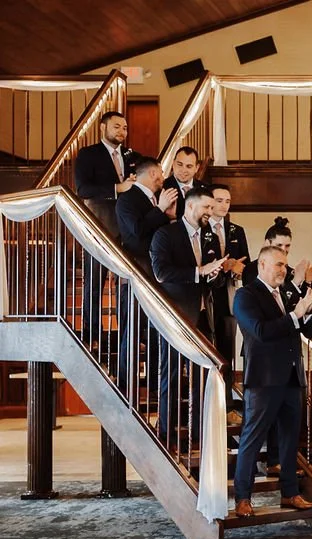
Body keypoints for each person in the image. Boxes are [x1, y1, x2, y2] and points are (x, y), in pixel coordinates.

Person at [231, 246, 312, 517]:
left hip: (292, 376)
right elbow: (261, 332)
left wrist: (307, 310)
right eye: (278, 264)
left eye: (285, 265)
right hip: (264, 379)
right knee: (252, 439)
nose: (284, 270)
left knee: (290, 440)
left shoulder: (287, 294)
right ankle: (243, 498)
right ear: (262, 265)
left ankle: (290, 493)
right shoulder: (246, 295)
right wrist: (295, 315)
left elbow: (310, 330)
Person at [149, 188, 226, 442]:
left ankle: (199, 435)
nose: (210, 212)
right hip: (176, 317)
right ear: (190, 206)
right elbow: (161, 273)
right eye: (207, 207)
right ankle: (166, 435)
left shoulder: (210, 237)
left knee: (202, 376)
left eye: (212, 208)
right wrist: (199, 271)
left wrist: (214, 275)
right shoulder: (165, 234)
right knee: (170, 375)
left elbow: (214, 280)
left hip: (203, 315)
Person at [114, 156, 176, 393]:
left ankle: (152, 386)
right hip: (136, 274)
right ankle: (124, 388)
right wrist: (160, 210)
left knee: (154, 332)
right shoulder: (127, 199)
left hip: (156, 274)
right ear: (152, 173)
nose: (163, 178)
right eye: (161, 173)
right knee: (131, 332)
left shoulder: (154, 199)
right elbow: (137, 231)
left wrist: (167, 216)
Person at [74, 110, 135, 346]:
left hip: (127, 227)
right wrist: (117, 188)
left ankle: (126, 334)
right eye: (117, 126)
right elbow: (83, 189)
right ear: (103, 127)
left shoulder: (132, 156)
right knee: (95, 281)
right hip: (100, 225)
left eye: (125, 128)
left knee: (126, 283)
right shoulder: (88, 154)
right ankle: (92, 334)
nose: (122, 131)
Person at [207, 183, 250, 414]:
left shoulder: (236, 231)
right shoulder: (202, 227)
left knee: (227, 344)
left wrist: (236, 269)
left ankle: (226, 399)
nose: (224, 205)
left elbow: (245, 263)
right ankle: (208, 396)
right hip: (206, 292)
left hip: (229, 292)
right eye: (219, 200)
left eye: (227, 201)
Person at [162, 147, 207, 221]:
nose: (183, 170)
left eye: (189, 166)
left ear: (197, 168)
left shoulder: (204, 189)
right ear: (173, 164)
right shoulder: (163, 187)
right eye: (180, 165)